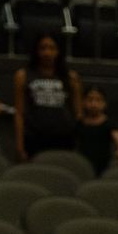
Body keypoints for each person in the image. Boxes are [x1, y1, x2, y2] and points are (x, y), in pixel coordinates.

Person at [13, 33, 80, 161]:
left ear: (58, 51)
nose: (47, 52)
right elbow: (19, 114)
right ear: (36, 51)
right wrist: (19, 146)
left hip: (63, 137)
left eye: (51, 48)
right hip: (34, 137)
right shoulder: (23, 75)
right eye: (43, 48)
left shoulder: (71, 77)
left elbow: (78, 113)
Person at [72, 86, 118, 175]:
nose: (93, 104)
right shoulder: (79, 123)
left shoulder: (109, 124)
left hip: (103, 167)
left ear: (104, 103)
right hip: (82, 166)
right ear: (83, 102)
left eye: (98, 100)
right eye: (90, 100)